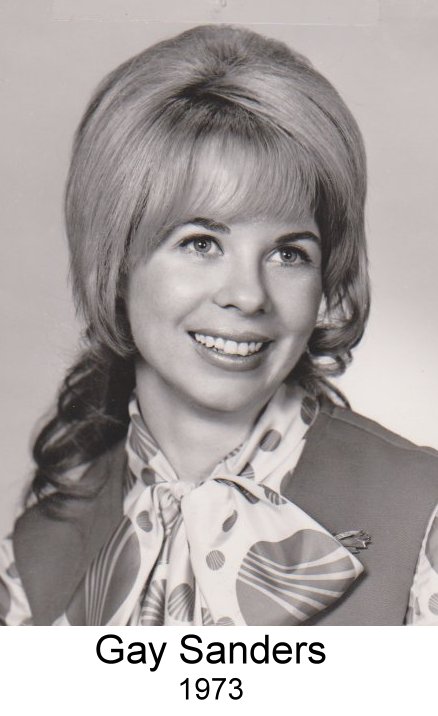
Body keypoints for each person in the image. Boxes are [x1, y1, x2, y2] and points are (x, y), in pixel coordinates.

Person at [0, 24, 437, 626]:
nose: (248, 295)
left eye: (289, 253)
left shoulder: (423, 515)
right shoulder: (33, 558)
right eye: (201, 243)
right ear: (116, 262)